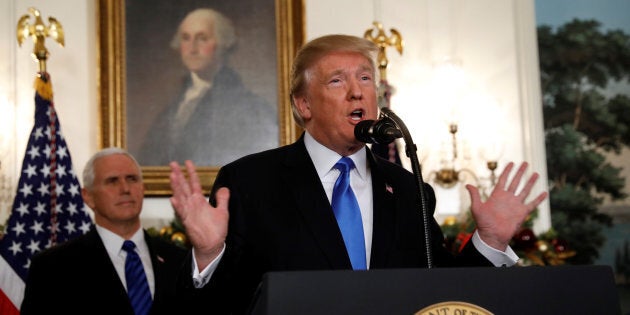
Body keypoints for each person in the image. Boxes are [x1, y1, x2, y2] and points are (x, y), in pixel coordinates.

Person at [168, 34, 549, 314]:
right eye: (337, 81)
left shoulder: (407, 188)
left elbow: (444, 295)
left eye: (365, 79)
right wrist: (207, 254)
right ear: (303, 104)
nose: (357, 93)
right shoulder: (250, 182)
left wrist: (490, 242)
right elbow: (216, 305)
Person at [21, 147, 187, 315]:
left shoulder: (180, 261)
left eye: (132, 179)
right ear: (88, 197)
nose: (125, 188)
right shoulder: (52, 267)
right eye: (112, 181)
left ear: (143, 188)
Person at [138, 8, 278, 166]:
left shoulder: (248, 106)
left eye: (202, 38)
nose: (192, 48)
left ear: (222, 43)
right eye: (185, 38)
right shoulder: (175, 104)